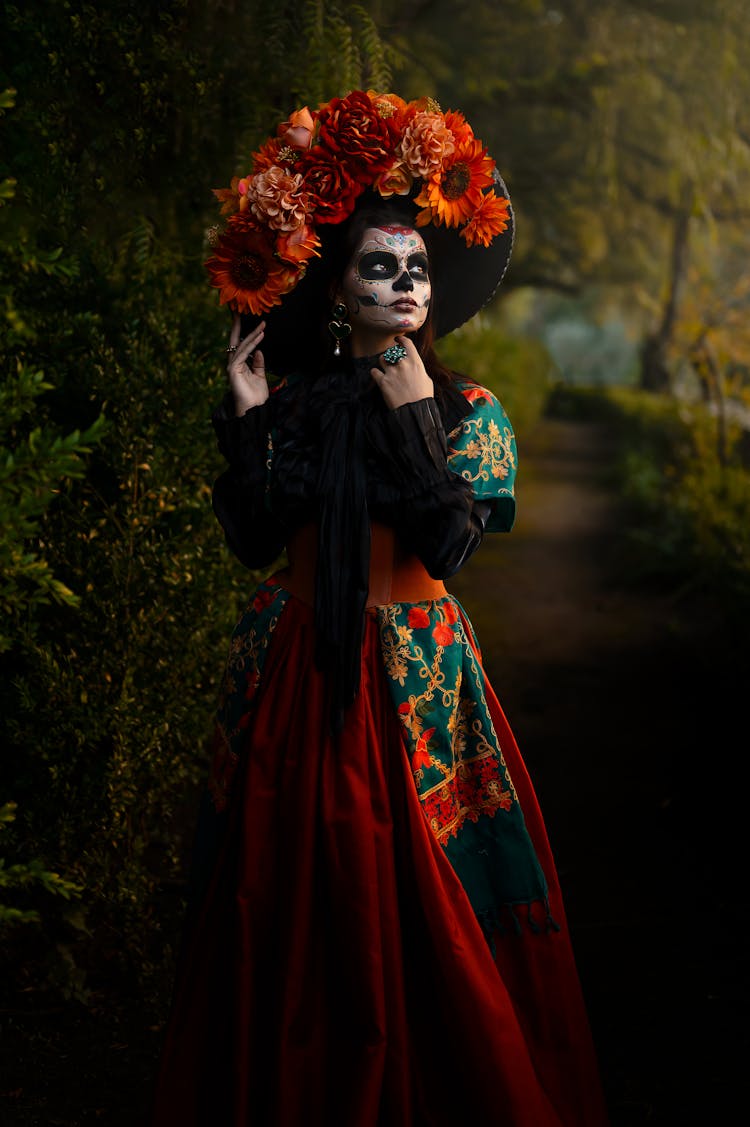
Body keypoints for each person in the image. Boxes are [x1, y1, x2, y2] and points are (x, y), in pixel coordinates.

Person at [150, 90, 609, 1126]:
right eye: (378, 267)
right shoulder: (300, 405)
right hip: (300, 669)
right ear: (337, 291)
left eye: (417, 269)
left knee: (422, 895)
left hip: (418, 679)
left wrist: (410, 424)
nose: (405, 284)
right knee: (290, 884)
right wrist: (248, 423)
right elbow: (256, 540)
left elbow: (453, 543)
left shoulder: (467, 411)